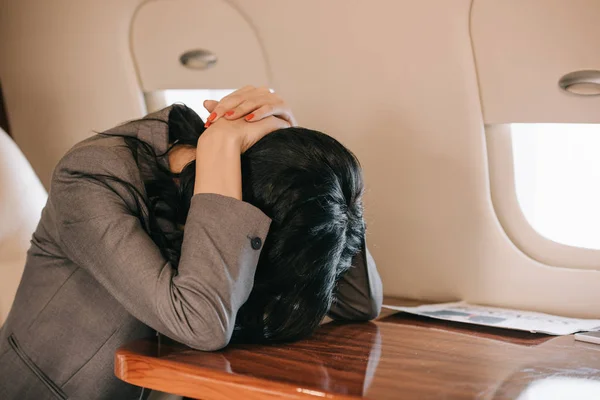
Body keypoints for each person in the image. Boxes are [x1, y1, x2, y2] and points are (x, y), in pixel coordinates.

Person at [0, 87, 382, 399]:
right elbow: (200, 324)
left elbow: (360, 303)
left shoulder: (250, 174)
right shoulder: (89, 179)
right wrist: (218, 151)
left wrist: (320, 179)